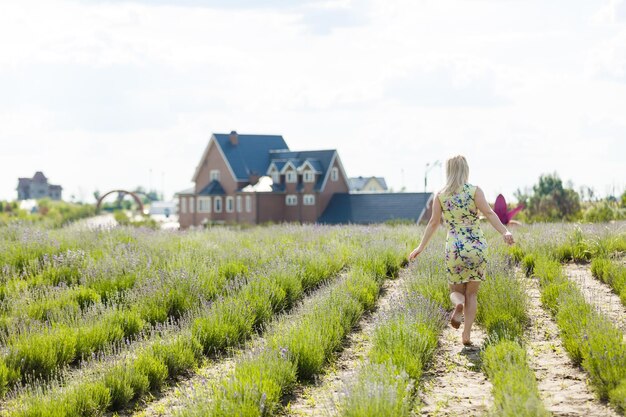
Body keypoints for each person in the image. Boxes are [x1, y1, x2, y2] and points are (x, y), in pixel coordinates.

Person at [408, 155, 514, 346]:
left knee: (456, 291)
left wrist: (420, 247)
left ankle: (458, 303)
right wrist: (504, 231)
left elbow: (433, 223)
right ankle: (466, 334)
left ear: (448, 171)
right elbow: (489, 213)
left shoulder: (440, 195)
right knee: (472, 294)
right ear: (466, 170)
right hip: (476, 247)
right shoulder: (474, 191)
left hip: (455, 248)